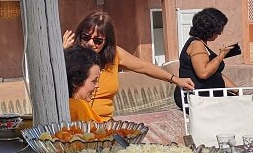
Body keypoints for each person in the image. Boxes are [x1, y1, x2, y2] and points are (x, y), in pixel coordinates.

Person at [63, 11, 195, 120]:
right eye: (86, 37)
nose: (91, 43)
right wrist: (63, 54)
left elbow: (143, 67)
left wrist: (175, 79)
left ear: (107, 41)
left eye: (98, 40)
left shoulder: (115, 55)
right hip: (79, 124)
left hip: (106, 126)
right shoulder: (72, 56)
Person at [173, 8, 239, 109]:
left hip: (208, 95)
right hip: (197, 97)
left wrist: (238, 91)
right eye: (218, 30)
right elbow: (203, 73)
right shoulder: (197, 45)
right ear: (210, 29)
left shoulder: (201, 44)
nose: (220, 34)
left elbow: (216, 75)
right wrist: (221, 56)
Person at [65, 47, 105, 123]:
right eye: (94, 81)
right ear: (75, 82)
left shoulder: (62, 105)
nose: (97, 86)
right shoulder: (79, 106)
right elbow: (101, 132)